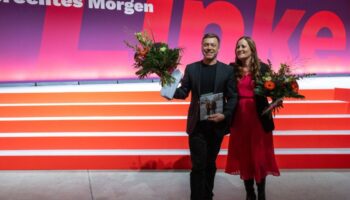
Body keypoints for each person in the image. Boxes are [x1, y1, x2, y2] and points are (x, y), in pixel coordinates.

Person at [171, 33, 237, 200]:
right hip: (197, 126)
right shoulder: (192, 68)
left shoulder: (227, 70)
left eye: (212, 45)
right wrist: (168, 88)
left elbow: (233, 96)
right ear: (201, 46)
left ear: (218, 48)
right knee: (198, 165)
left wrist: (225, 115)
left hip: (217, 126)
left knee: (210, 164)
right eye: (206, 44)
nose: (209, 47)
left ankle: (207, 195)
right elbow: (183, 92)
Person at [225, 36, 280, 200]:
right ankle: (250, 193)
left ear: (252, 49)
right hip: (239, 119)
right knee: (244, 156)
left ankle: (261, 193)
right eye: (238, 47)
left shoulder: (263, 69)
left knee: (259, 156)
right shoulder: (231, 69)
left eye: (243, 46)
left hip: (259, 119)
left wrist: (277, 99)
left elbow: (273, 91)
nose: (240, 49)